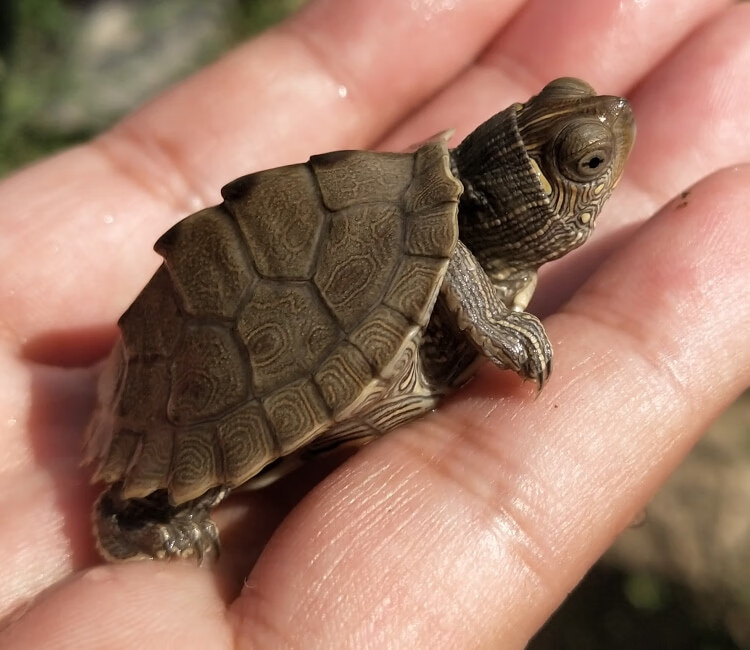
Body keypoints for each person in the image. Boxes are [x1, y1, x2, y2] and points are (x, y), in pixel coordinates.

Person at [0, 0, 748, 646]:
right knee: (159, 501)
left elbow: (452, 250)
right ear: (522, 204)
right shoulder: (441, 235)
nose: (612, 126)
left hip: (242, 318)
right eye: (585, 165)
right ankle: (135, 512)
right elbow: (448, 253)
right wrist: (489, 325)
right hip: (192, 387)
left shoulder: (433, 218)